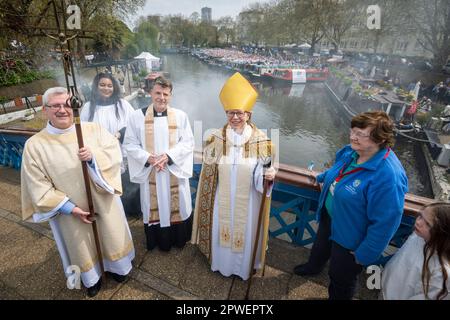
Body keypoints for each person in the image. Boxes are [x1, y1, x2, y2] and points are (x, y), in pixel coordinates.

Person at [21, 87, 135, 298]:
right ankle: (91, 278)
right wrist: (69, 208)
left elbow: (114, 154)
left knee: (111, 234)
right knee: (81, 246)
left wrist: (94, 158)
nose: (62, 110)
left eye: (67, 104)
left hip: (103, 199)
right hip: (71, 211)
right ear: (45, 110)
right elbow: (37, 184)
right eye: (55, 105)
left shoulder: (93, 129)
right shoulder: (34, 146)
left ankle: (118, 268)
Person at [293, 110, 408, 300]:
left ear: (380, 139)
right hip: (332, 216)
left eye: (360, 134)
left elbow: (386, 222)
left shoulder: (388, 177)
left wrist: (365, 253)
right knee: (320, 247)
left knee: (341, 276)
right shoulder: (352, 151)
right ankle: (313, 267)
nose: (353, 137)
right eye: (352, 131)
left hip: (352, 234)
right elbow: (337, 171)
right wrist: (322, 177)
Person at [191, 72, 277, 280]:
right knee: (222, 228)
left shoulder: (262, 142)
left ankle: (242, 268)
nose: (235, 117)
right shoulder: (215, 139)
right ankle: (221, 264)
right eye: (230, 113)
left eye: (239, 113)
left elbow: (264, 172)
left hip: (248, 201)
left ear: (248, 113)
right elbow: (208, 176)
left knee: (245, 233)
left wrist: (268, 175)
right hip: (222, 198)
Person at [123, 76, 194, 252]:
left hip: (173, 170)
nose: (161, 97)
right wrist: (149, 158)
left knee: (176, 206)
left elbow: (188, 143)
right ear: (150, 93)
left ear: (170, 96)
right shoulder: (136, 116)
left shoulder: (180, 116)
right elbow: (129, 144)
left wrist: (168, 157)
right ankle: (157, 241)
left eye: (166, 94)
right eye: (158, 93)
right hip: (151, 171)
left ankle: (178, 240)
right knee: (153, 207)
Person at [81, 72, 139, 217]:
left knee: (127, 185)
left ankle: (130, 211)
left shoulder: (122, 104)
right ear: (96, 87)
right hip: (100, 154)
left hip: (121, 151)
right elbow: (83, 130)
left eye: (109, 85)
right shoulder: (89, 107)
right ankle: (112, 213)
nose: (106, 88)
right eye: (102, 85)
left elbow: (135, 125)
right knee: (106, 185)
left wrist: (120, 134)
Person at [381, 202, 450, 300]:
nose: (418, 222)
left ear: (443, 234)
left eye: (428, 224)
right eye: (420, 216)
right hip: (387, 290)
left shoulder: (442, 274)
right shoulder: (419, 236)